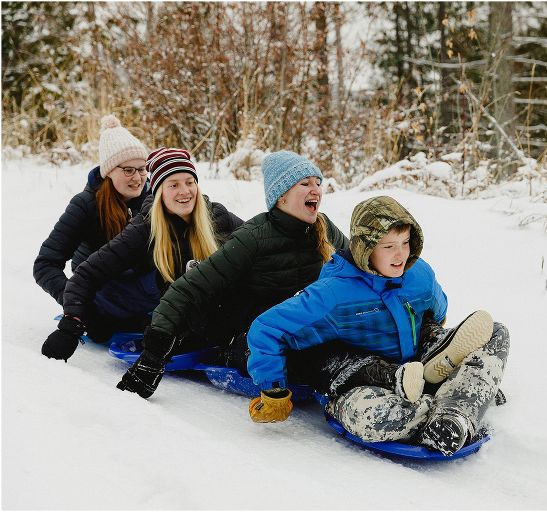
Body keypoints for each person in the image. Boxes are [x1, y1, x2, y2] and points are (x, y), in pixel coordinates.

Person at [245, 195, 510, 456]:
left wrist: (432, 337)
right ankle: (457, 398)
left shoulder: (419, 274)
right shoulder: (333, 293)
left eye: (405, 242)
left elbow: (438, 312)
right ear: (365, 248)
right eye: (388, 246)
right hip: (363, 379)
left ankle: (454, 414)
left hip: (418, 360)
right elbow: (266, 329)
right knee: (370, 417)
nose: (400, 254)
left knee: (496, 332)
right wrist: (274, 390)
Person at [115, 150, 349, 399]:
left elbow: (361, 266)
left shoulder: (323, 227)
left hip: (307, 327)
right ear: (281, 195)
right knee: (309, 358)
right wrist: (152, 356)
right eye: (305, 184)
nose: (316, 190)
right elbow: (187, 289)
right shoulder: (253, 238)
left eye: (318, 183)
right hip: (251, 339)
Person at [41, 147, 244, 362]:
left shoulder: (217, 216)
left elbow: (257, 244)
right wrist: (73, 322)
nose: (185, 191)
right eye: (173, 185)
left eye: (190, 182)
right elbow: (85, 273)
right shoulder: (144, 227)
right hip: (121, 296)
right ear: (159, 192)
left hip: (172, 302)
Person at [34, 115, 151, 352]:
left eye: (142, 169)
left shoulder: (153, 201)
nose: (138, 178)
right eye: (128, 170)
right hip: (101, 291)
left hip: (139, 290)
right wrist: (80, 306)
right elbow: (45, 264)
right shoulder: (86, 204)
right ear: (109, 171)